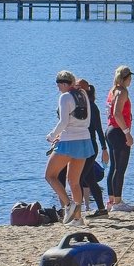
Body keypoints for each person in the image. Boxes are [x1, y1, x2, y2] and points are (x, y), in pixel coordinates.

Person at [45, 69, 93, 224]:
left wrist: (52, 136)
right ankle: (78, 218)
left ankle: (68, 205)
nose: (58, 88)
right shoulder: (83, 94)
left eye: (59, 84)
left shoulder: (65, 97)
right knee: (74, 181)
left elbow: (63, 122)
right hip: (84, 140)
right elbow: (87, 120)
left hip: (69, 141)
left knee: (50, 175)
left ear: (64, 83)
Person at [72, 78, 108, 214]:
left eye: (78, 88)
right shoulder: (76, 106)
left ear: (85, 90)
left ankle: (77, 212)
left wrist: (105, 148)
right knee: (90, 178)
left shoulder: (92, 107)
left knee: (79, 178)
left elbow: (99, 129)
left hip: (90, 146)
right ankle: (101, 209)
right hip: (80, 145)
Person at [105, 65, 134, 211]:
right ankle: (117, 202)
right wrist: (127, 133)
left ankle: (111, 200)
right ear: (125, 78)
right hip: (118, 131)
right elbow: (117, 113)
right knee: (120, 168)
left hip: (111, 130)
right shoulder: (121, 91)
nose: (131, 81)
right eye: (129, 78)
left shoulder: (112, 91)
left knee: (114, 167)